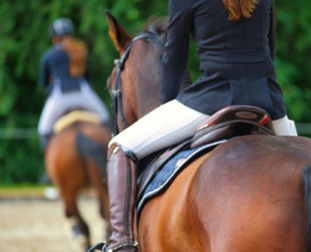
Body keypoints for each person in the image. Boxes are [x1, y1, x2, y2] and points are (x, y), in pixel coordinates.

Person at [96, 0, 297, 251]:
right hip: (267, 102)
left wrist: (167, 108)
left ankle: (120, 244)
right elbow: (270, 49)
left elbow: (174, 61)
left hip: (210, 101)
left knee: (119, 146)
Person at [38, 17, 109, 150]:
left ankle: (48, 166)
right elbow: (88, 78)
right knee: (105, 118)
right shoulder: (80, 50)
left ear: (54, 38)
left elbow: (44, 84)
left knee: (43, 130)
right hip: (82, 93)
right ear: (71, 34)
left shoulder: (48, 55)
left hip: (59, 97)